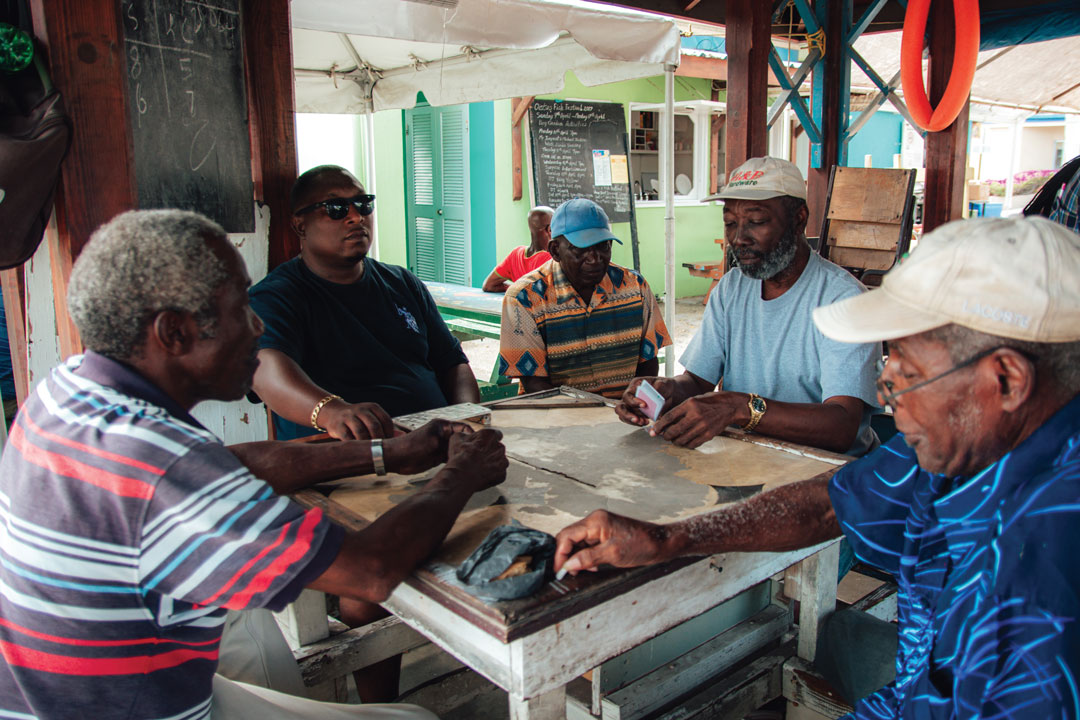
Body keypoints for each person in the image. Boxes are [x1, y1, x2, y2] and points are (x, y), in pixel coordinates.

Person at [554, 215, 1080, 718]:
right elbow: (833, 500)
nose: (883, 390)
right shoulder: (968, 442)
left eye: (908, 373)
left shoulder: (1040, 568)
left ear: (1006, 381)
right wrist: (668, 539)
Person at [0, 209, 508, 720]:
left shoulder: (70, 389)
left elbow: (231, 463)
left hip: (55, 690)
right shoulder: (164, 469)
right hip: (117, 707)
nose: (258, 327)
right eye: (240, 308)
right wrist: (461, 474)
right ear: (173, 333)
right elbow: (371, 571)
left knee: (249, 630)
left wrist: (386, 453)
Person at [616, 156, 880, 456]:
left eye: (756, 222)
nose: (739, 238)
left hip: (830, 475)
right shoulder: (731, 289)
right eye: (730, 223)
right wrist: (664, 391)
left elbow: (841, 427)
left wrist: (738, 407)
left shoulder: (844, 300)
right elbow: (697, 381)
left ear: (799, 218)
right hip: (749, 458)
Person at [249, 165, 479, 443]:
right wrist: (332, 413)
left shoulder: (402, 282)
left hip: (436, 442)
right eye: (336, 208)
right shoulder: (276, 296)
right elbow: (265, 370)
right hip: (346, 458)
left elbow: (453, 363)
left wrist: (466, 415)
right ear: (300, 225)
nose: (356, 217)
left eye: (363, 204)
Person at [497, 197, 671, 397]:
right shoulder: (524, 298)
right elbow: (535, 384)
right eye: (581, 249)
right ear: (555, 250)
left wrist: (635, 405)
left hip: (624, 417)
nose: (595, 258)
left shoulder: (636, 287)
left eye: (603, 246)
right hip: (557, 418)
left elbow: (648, 363)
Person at [481, 206, 554, 292]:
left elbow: (488, 285)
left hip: (519, 304)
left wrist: (518, 290)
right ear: (549, 229)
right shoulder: (551, 259)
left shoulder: (516, 254)